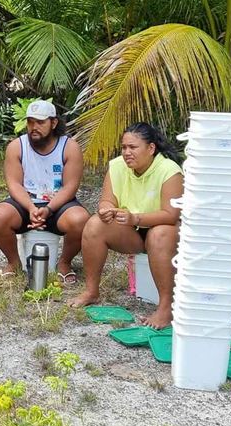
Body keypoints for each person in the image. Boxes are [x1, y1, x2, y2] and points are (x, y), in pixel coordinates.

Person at [69, 123, 184, 329]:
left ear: (151, 148)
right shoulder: (117, 166)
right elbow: (107, 201)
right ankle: (91, 291)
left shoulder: (169, 171)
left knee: (159, 234)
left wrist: (136, 219)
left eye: (133, 147)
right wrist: (106, 209)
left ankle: (166, 307)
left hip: (163, 229)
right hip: (130, 229)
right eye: (124, 147)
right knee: (95, 223)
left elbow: (171, 214)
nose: (127, 152)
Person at [0, 99, 89, 280]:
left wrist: (49, 209)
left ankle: (64, 262)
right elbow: (14, 184)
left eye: (40, 122)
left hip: (59, 204)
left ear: (54, 123)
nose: (34, 127)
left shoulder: (69, 147)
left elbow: (70, 186)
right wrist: (32, 208)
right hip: (26, 203)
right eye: (30, 122)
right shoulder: (16, 147)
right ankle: (13, 262)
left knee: (81, 220)